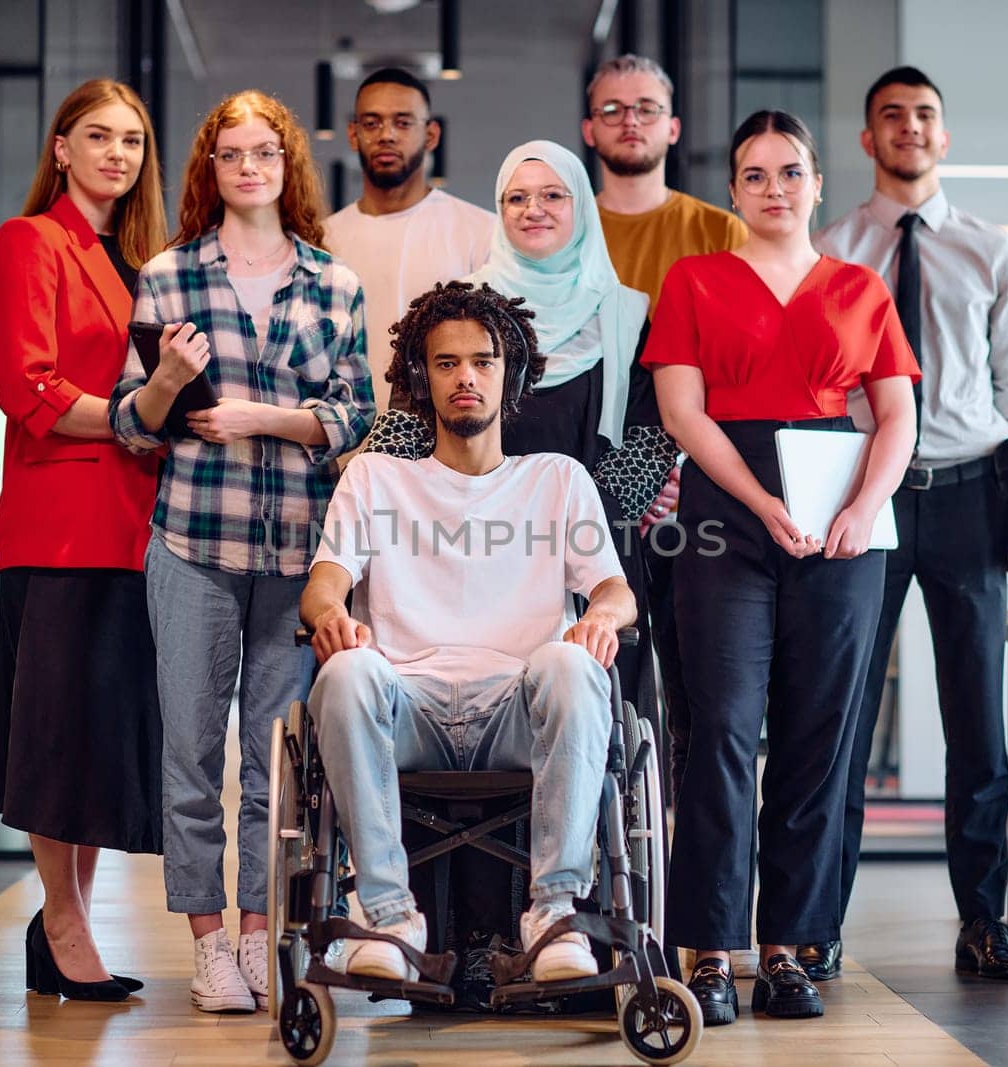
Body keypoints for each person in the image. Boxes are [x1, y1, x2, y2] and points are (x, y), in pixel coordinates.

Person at [647, 109, 918, 1024]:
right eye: (755, 175)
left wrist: (859, 510)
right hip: (728, 511)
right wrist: (763, 503)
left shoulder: (861, 288)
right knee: (720, 731)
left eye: (790, 172)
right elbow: (683, 413)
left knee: (816, 740)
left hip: (840, 519)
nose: (774, 189)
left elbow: (896, 419)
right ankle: (711, 949)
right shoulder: (693, 279)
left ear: (816, 183)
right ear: (732, 190)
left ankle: (789, 947)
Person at [108, 89, 373, 1014]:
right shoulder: (168, 275)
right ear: (209, 169)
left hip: (298, 555)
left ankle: (260, 937)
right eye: (231, 155)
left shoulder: (333, 283)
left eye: (265, 153)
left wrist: (269, 419)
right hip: (191, 544)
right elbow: (130, 425)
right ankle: (208, 943)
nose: (249, 168)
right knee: (189, 754)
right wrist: (167, 383)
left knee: (275, 760)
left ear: (287, 164)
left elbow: (355, 415)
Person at [301, 280, 637, 985]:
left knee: (577, 667)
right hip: (406, 707)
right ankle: (388, 916)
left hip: (516, 705)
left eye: (482, 361)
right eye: (447, 362)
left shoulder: (557, 479)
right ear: (422, 377)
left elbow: (613, 590)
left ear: (508, 373)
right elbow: (324, 583)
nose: (466, 377)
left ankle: (554, 914)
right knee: (344, 672)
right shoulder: (373, 479)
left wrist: (601, 617)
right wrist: (331, 614)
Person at [807, 66, 1008, 986]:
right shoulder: (833, 249)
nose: (910, 127)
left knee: (977, 718)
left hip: (971, 491)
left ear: (945, 137)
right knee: (843, 715)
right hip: (865, 492)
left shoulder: (992, 250)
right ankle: (816, 921)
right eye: (892, 116)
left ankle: (984, 920)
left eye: (926, 115)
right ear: (867, 140)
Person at [359, 141, 672, 728]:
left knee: (590, 717)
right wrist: (369, 487)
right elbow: (408, 415)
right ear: (499, 211)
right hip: (463, 537)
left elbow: (653, 435)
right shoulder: (461, 310)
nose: (535, 209)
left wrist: (572, 519)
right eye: (517, 197)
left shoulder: (627, 313)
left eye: (554, 195)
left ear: (581, 208)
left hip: (591, 537)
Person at [0, 77, 167, 1004]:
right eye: (97, 136)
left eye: (132, 141)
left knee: (96, 740)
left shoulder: (144, 260)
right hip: (60, 528)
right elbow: (29, 387)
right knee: (56, 740)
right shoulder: (33, 240)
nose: (116, 154)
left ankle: (69, 923)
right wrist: (140, 417)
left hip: (134, 529)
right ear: (60, 148)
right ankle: (62, 923)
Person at [582, 53, 749, 804]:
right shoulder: (558, 223)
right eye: (613, 109)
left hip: (699, 487)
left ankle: (686, 878)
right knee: (598, 680)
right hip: (583, 484)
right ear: (589, 128)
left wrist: (681, 464)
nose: (629, 121)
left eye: (645, 107)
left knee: (699, 693)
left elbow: (742, 364)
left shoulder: (722, 233)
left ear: (673, 127)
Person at [323, 67, 495, 413]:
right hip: (344, 449)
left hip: (449, 450)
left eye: (403, 123)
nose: (386, 135)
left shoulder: (481, 231)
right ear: (353, 135)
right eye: (372, 123)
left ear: (431, 135)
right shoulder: (321, 240)